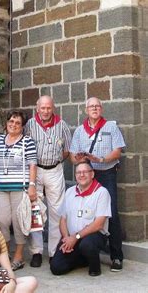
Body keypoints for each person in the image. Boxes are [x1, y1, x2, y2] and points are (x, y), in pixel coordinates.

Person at [69, 97, 126, 272]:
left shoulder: (111, 127)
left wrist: (100, 159)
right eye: (91, 106)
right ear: (86, 109)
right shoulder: (79, 131)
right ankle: (86, 251)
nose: (94, 108)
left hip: (107, 173)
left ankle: (116, 256)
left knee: (111, 214)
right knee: (84, 213)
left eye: (97, 106)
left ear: (101, 108)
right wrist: (80, 159)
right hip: (87, 175)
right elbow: (72, 156)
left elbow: (118, 151)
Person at [24, 95, 72, 267]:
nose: (45, 111)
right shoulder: (29, 125)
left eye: (48, 108)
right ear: (37, 109)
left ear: (53, 108)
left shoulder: (62, 125)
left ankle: (53, 252)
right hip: (35, 171)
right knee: (35, 210)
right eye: (42, 108)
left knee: (56, 211)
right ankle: (36, 251)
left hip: (54, 170)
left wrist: (55, 160)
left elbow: (67, 150)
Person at [0, 110, 38, 271]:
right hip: (2, 188)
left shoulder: (27, 142)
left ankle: (19, 256)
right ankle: (5, 253)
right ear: (6, 123)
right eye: (11, 121)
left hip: (20, 187)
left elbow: (33, 164)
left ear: (22, 126)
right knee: (2, 220)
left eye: (17, 123)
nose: (13, 125)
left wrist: (32, 185)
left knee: (18, 221)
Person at [50, 161, 111, 277]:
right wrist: (67, 238)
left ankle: (95, 267)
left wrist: (75, 237)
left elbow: (98, 224)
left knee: (87, 245)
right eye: (78, 172)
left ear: (92, 174)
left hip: (94, 236)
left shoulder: (102, 193)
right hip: (73, 237)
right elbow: (62, 219)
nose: (81, 175)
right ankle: (82, 259)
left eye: (85, 172)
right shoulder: (70, 192)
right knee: (56, 268)